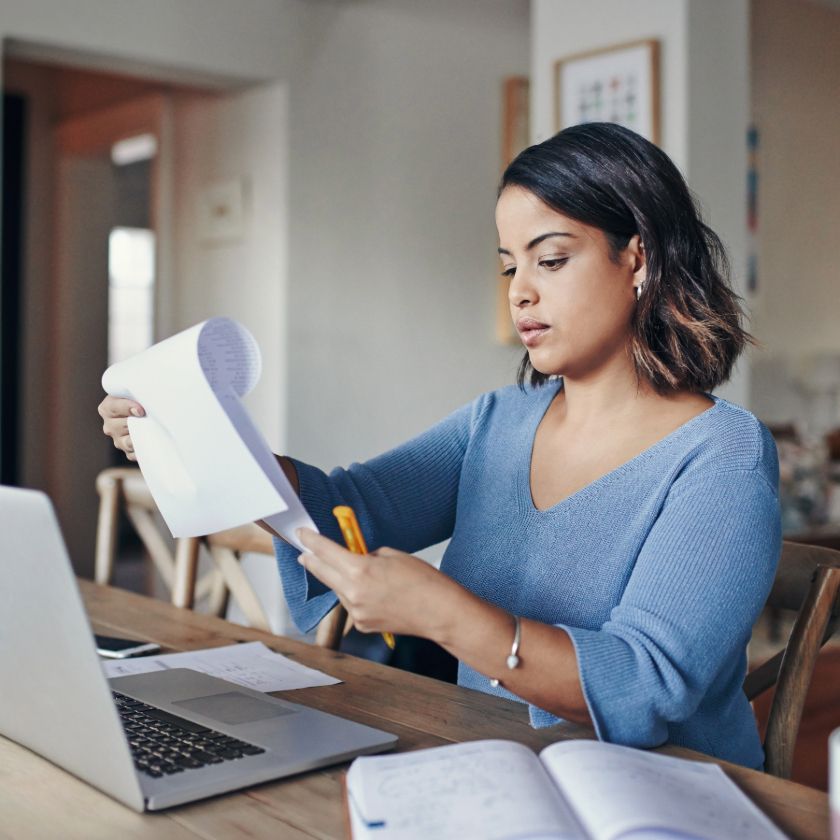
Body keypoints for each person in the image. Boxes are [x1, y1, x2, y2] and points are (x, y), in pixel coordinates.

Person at [100, 122, 781, 770]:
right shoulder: (497, 423)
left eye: (550, 259)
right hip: (491, 768)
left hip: (661, 802)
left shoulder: (722, 456)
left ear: (639, 258)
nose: (522, 292)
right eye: (509, 266)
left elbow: (648, 684)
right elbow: (349, 507)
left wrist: (446, 615)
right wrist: (200, 439)